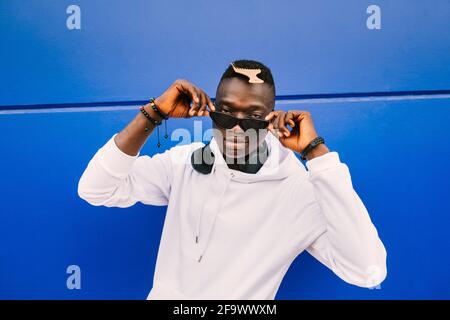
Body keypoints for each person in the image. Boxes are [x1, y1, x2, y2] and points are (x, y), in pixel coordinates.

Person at [78, 59, 387, 299]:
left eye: (252, 116)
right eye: (226, 112)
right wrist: (154, 113)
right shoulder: (185, 162)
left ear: (271, 118)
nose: (236, 129)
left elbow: (368, 271)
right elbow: (95, 190)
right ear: (210, 110)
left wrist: (316, 154)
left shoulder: (301, 192)